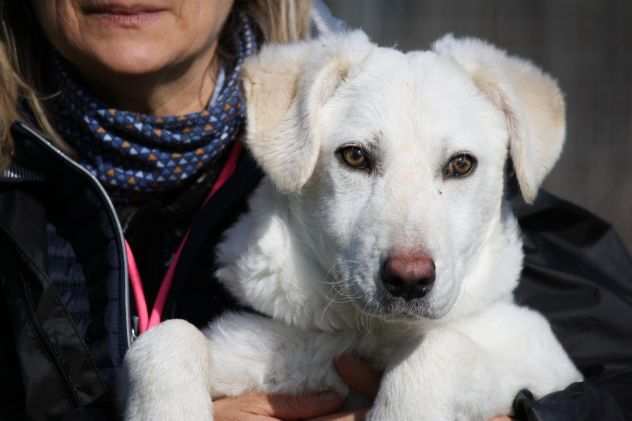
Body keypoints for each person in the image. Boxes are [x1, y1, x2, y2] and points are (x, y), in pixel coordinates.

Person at [0, 1, 630, 420]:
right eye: (357, 160)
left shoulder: (429, 101)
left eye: (458, 168)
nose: (410, 255)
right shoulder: (312, 102)